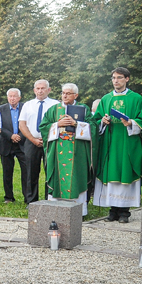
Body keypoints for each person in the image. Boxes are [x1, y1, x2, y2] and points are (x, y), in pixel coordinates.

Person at [90, 67, 142, 223]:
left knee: (126, 174)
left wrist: (131, 123)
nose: (116, 80)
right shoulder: (106, 99)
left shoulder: (136, 99)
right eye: (113, 78)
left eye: (119, 77)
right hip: (110, 144)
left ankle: (124, 212)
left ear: (127, 79)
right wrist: (102, 121)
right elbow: (95, 120)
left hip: (128, 144)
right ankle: (112, 211)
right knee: (111, 176)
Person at [39, 83, 94, 215]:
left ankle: (77, 212)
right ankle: (56, 210)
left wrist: (77, 124)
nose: (64, 95)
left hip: (77, 153)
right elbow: (43, 127)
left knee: (76, 177)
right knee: (58, 177)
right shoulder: (54, 109)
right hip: (58, 152)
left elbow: (93, 127)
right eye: (63, 93)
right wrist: (58, 124)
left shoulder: (83, 108)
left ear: (76, 95)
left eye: (68, 93)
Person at [18, 79, 59, 204]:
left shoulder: (56, 104)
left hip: (50, 142)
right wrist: (33, 139)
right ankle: (31, 201)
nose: (40, 91)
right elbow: (22, 125)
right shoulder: (28, 105)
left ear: (49, 90)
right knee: (31, 172)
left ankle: (50, 199)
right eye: (38, 88)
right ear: (34, 90)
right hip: (31, 142)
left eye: (43, 88)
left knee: (51, 171)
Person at [0, 88, 27, 203]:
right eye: (10, 96)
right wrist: (11, 136)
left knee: (26, 172)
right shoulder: (0, 109)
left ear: (19, 97)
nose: (12, 98)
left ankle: (27, 197)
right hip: (6, 143)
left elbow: (28, 123)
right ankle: (9, 197)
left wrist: (20, 135)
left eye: (14, 96)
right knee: (7, 173)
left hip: (22, 144)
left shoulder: (26, 107)